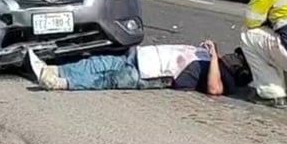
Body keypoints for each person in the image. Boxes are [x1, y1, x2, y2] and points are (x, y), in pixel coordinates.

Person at [27, 41, 252, 95]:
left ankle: (60, 83)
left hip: (151, 74)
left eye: (237, 58)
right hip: (143, 56)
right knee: (99, 62)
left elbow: (215, 89)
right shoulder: (211, 57)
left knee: (105, 78)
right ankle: (54, 69)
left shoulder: (224, 77)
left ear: (238, 69)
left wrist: (213, 58)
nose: (232, 56)